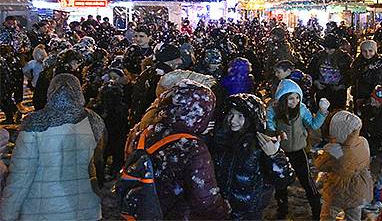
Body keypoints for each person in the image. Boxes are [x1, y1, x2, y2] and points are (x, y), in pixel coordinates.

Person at [0, 74, 106, 220]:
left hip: (44, 209)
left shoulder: (35, 123)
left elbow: (21, 175)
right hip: (86, 208)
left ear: (50, 92)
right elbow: (98, 162)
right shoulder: (93, 120)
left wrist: (7, 213)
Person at [125, 81, 230, 220]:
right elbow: (204, 200)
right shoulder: (193, 148)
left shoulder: (145, 132)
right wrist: (223, 211)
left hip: (141, 210)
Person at [211, 93, 295, 220]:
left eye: (240, 116)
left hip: (248, 211)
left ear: (251, 119)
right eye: (230, 114)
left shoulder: (262, 144)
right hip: (221, 207)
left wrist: (274, 155)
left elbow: (285, 179)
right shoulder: (220, 138)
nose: (233, 120)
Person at [267, 79, 330, 219]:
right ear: (283, 99)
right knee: (280, 183)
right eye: (290, 98)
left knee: (307, 181)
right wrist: (276, 134)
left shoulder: (301, 109)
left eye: (297, 97)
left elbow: (313, 125)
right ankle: (282, 208)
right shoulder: (274, 110)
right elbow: (269, 128)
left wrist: (322, 112)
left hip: (298, 151)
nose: (294, 101)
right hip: (280, 153)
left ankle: (316, 210)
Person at [129, 43, 183, 127]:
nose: (180, 61)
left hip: (139, 120)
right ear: (168, 60)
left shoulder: (149, 72)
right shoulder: (164, 78)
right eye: (177, 58)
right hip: (148, 122)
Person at [309, 33, 353, 110]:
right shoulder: (318, 56)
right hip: (322, 89)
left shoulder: (344, 58)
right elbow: (311, 70)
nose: (327, 51)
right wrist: (316, 82)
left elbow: (350, 73)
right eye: (325, 48)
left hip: (338, 91)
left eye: (330, 49)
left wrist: (343, 85)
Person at [351, 40, 382, 113]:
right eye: (364, 51)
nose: (367, 54)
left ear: (375, 51)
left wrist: (373, 96)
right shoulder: (358, 62)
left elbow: (380, 81)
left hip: (372, 95)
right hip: (358, 94)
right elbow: (354, 76)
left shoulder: (379, 64)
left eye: (370, 51)